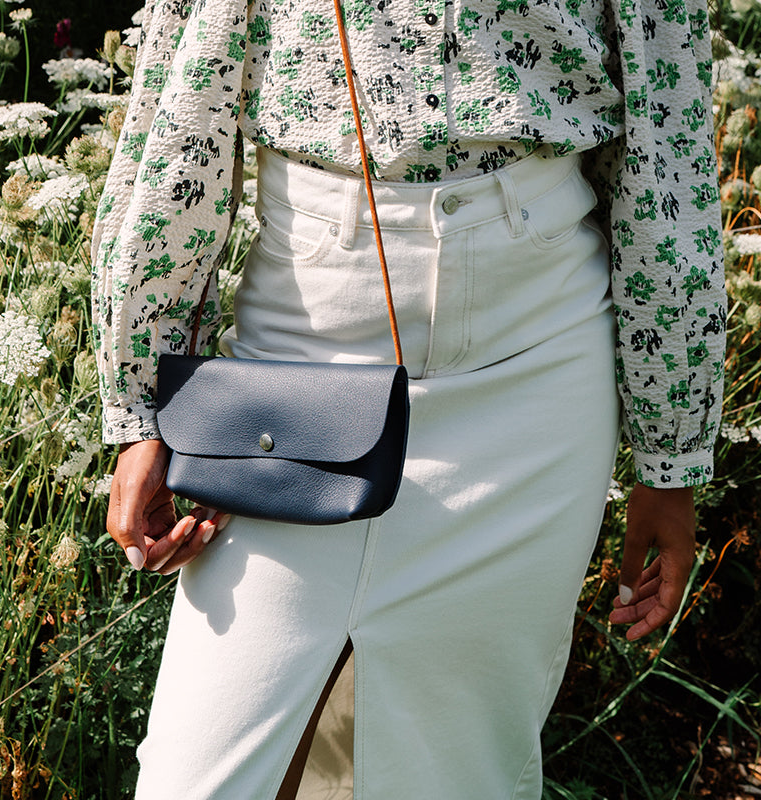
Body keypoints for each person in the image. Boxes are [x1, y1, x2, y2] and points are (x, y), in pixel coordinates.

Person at [91, 0, 726, 794]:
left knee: (462, 770)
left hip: (534, 360)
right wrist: (144, 405)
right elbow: (183, 111)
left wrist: (669, 462)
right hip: (302, 347)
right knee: (199, 776)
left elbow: (667, 152)